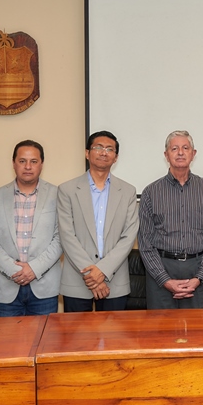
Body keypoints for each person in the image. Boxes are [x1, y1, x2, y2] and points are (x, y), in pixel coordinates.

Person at [138, 130, 203, 309]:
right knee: (160, 327)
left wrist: (200, 277)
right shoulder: (150, 193)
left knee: (196, 326)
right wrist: (164, 280)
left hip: (198, 271)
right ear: (166, 155)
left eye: (185, 148)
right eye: (174, 148)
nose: (180, 153)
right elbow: (145, 243)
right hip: (160, 272)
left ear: (193, 153)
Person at [58, 131, 138, 312]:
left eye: (109, 149)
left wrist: (102, 271)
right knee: (75, 332)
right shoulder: (67, 190)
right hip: (77, 279)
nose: (104, 152)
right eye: (98, 147)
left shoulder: (128, 191)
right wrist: (92, 275)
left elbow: (129, 236)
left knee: (114, 332)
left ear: (115, 157)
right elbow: (66, 235)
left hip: (115, 282)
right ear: (87, 153)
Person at [0, 140, 62, 316]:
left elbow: (61, 238)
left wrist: (34, 268)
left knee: (45, 335)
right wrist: (15, 271)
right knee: (6, 336)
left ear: (41, 164)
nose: (28, 166)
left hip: (45, 288)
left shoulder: (58, 195)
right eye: (22, 161)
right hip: (7, 287)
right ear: (13, 163)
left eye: (33, 161)